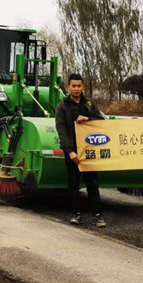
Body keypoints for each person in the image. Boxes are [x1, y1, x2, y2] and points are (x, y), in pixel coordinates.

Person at [55, 73, 106, 227]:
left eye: (79, 86)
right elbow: (61, 130)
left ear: (83, 86)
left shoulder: (90, 105)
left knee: (92, 183)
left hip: (89, 151)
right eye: (73, 86)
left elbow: (102, 122)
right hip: (72, 152)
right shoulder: (62, 106)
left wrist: (88, 119)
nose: (76, 89)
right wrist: (70, 151)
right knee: (73, 183)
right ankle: (76, 214)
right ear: (68, 87)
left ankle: (97, 215)